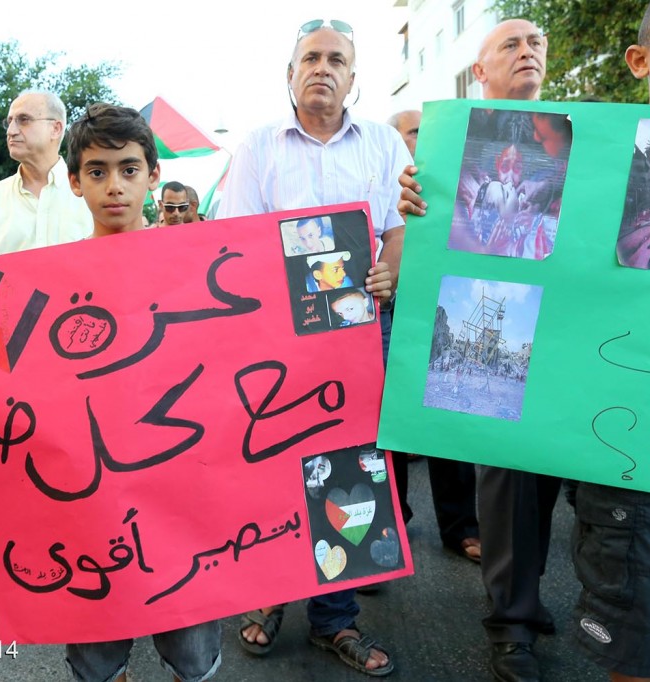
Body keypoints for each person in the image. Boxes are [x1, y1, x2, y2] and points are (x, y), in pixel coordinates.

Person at [218, 18, 400, 677]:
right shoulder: (259, 147)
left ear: (355, 78)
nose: (323, 68)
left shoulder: (382, 144)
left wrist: (392, 269)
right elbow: (232, 247)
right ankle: (267, 597)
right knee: (269, 463)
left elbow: (402, 228)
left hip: (357, 336)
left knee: (349, 471)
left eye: (337, 60)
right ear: (289, 73)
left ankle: (335, 619)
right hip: (276, 336)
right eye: (311, 58)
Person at [400, 19, 556, 682]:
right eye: (511, 44)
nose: (529, 52)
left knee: (555, 470)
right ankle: (511, 620)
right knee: (509, 475)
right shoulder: (449, 148)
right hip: (499, 314)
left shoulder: (577, 133)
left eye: (537, 43)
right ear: (481, 74)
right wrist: (416, 204)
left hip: (568, 330)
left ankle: (534, 597)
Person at [63, 102, 221, 682]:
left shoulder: (199, 265)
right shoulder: (53, 277)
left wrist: (361, 285)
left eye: (129, 169)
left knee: (193, 653)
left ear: (154, 176)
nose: (115, 186)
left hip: (186, 489)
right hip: (92, 496)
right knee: (99, 659)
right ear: (75, 181)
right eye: (97, 171)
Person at [571, 4, 650, 681]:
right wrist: (430, 206)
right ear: (640, 61)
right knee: (633, 641)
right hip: (632, 451)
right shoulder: (597, 163)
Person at [0, 90, 92, 259]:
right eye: (9, 122)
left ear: (55, 129)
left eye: (23, 120)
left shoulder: (90, 191)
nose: (11, 131)